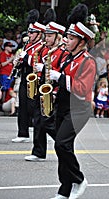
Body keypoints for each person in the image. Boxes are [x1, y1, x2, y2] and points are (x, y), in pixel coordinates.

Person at [48, 7, 97, 198]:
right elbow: (61, 81)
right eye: (66, 37)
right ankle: (65, 189)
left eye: (70, 38)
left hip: (78, 108)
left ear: (82, 42)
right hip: (63, 105)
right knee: (61, 146)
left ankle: (79, 179)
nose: (66, 41)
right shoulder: (67, 58)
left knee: (62, 144)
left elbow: (81, 89)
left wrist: (58, 78)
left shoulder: (88, 61)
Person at [24, 20, 68, 162]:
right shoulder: (44, 49)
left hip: (54, 90)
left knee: (47, 122)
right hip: (42, 88)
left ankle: (63, 143)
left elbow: (62, 72)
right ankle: (38, 151)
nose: (46, 38)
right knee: (37, 120)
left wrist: (44, 70)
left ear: (58, 37)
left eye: (50, 36)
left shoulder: (63, 52)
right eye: (46, 35)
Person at [11, 18, 46, 143]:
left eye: (32, 32)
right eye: (29, 32)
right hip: (24, 77)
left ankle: (39, 134)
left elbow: (39, 62)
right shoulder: (27, 45)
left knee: (33, 108)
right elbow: (24, 60)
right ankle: (22, 133)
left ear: (39, 34)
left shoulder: (42, 46)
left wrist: (26, 58)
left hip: (35, 78)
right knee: (22, 106)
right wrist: (18, 62)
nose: (29, 35)